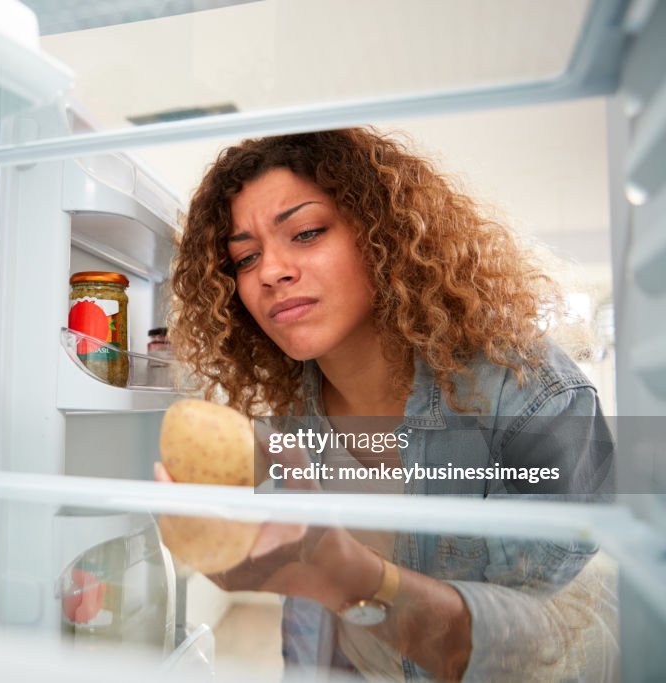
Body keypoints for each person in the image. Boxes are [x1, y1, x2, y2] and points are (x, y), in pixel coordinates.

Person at [157, 129, 617, 681]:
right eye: (245, 257)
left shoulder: (528, 390)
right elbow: (319, 622)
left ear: (385, 236)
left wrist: (348, 576)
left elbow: (539, 646)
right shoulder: (295, 411)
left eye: (305, 233)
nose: (271, 272)